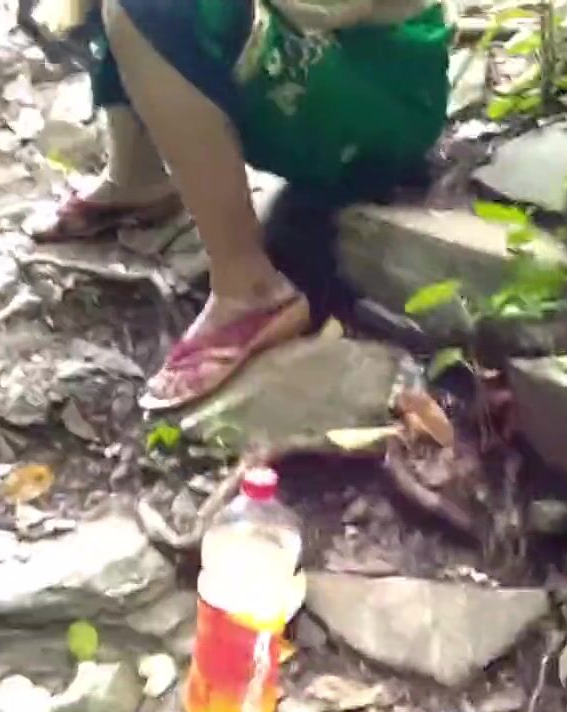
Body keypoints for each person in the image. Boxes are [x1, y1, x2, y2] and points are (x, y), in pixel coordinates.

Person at [28, 0, 451, 410]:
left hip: (382, 89)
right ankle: (138, 175)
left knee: (156, 8)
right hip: (333, 45)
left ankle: (249, 287)